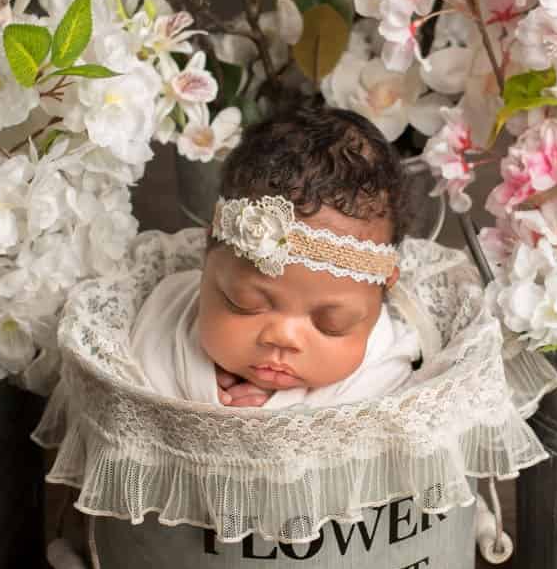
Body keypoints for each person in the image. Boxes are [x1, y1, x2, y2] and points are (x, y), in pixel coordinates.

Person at [130, 105, 423, 408]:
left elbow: (366, 445)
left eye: (331, 324)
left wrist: (272, 416)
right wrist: (200, 387)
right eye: (244, 304)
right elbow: (135, 382)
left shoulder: (383, 365)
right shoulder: (167, 315)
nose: (283, 338)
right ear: (208, 253)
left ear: (383, 291)